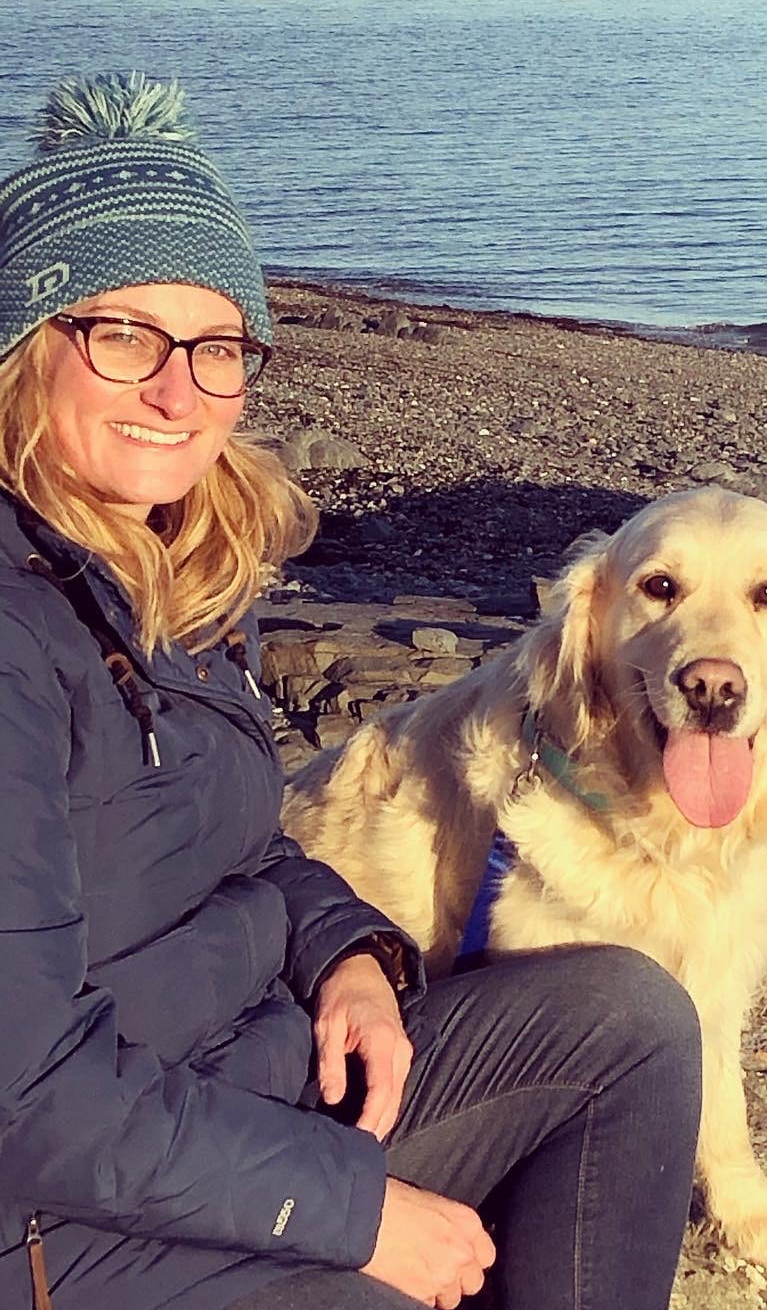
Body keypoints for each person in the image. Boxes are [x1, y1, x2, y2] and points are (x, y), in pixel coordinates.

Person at [0, 73, 702, 1310]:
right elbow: (22, 1096)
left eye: (216, 347)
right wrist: (352, 1214)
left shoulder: (165, 574)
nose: (176, 391)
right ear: (22, 346)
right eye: (122, 335)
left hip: (238, 1090)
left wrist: (348, 957)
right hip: (66, 1229)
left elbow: (231, 850)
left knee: (625, 1018)